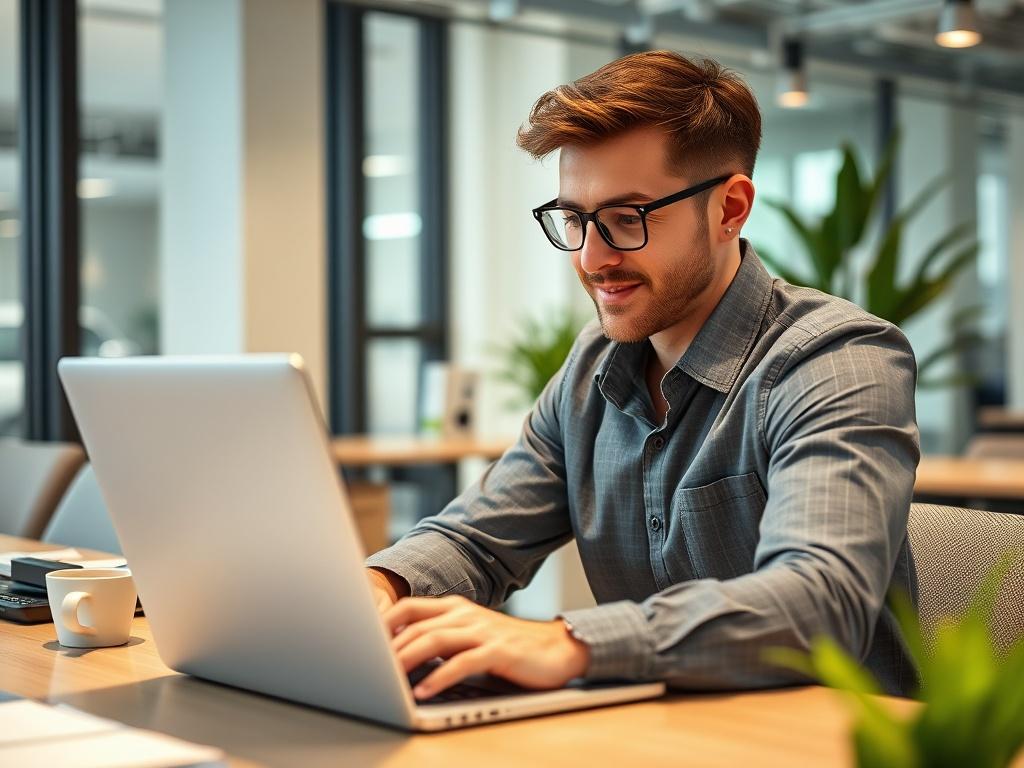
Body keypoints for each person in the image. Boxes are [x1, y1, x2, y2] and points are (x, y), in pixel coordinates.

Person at [365, 50, 920, 701]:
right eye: (574, 219)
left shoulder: (835, 361)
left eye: (628, 219)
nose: (592, 258)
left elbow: (818, 606)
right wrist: (380, 589)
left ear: (730, 208)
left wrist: (571, 643)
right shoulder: (590, 371)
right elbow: (478, 541)